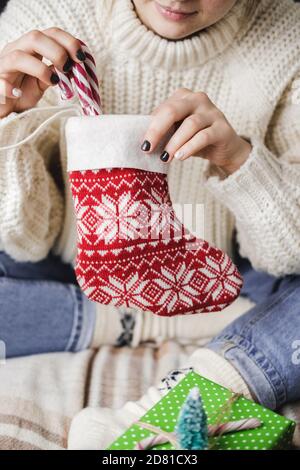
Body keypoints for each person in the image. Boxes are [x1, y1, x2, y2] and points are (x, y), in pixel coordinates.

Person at [0, 0, 299, 449]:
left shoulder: (289, 34)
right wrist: (4, 125)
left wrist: (240, 160)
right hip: (58, 267)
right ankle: (173, 323)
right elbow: (25, 238)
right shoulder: (46, 13)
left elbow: (288, 254)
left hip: (234, 269)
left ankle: (160, 407)